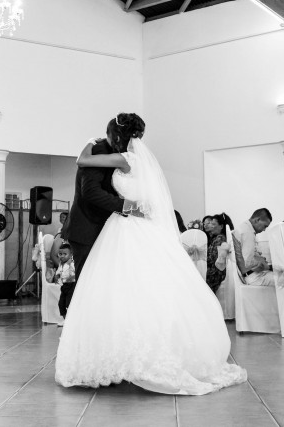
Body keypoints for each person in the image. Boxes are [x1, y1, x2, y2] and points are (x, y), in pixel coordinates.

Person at [56, 113, 246, 395]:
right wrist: (132, 208)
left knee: (110, 293)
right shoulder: (137, 158)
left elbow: (84, 167)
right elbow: (92, 191)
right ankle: (118, 356)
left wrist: (129, 208)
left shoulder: (111, 154)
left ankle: (120, 358)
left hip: (120, 227)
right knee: (116, 292)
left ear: (115, 133)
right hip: (106, 229)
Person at [59, 123, 138, 317]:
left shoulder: (128, 155)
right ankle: (83, 330)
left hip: (114, 227)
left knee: (110, 282)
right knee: (88, 283)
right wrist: (128, 206)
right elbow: (91, 192)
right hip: (88, 226)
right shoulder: (100, 149)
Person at [235, 208, 276, 286]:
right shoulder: (248, 232)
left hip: (251, 274)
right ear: (257, 220)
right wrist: (265, 265)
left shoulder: (243, 228)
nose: (264, 230)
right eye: (265, 226)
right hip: (254, 277)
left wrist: (257, 256)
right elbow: (248, 262)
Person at [203, 215, 227, 292]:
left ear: (221, 226)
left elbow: (213, 258)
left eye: (213, 224)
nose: (211, 227)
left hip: (215, 273)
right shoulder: (215, 238)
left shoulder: (220, 239)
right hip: (213, 271)